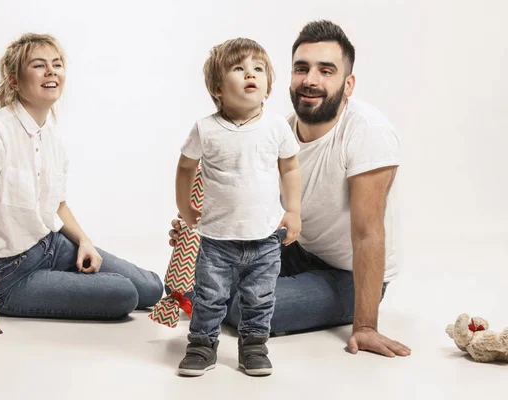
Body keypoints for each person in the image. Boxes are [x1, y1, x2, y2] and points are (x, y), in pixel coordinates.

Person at [169, 20, 411, 358]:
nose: (310, 80)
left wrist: (366, 326)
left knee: (247, 308)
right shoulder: (278, 129)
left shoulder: (368, 132)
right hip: (293, 245)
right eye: (302, 68)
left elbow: (368, 232)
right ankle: (204, 294)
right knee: (209, 269)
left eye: (326, 70)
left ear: (348, 83)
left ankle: (215, 302)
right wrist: (199, 225)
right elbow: (245, 195)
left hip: (347, 272)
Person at [0, 33, 163, 337]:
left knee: (152, 288)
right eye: (38, 65)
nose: (51, 71)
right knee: (125, 294)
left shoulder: (50, 134)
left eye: (56, 64)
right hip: (10, 274)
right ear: (13, 81)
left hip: (51, 245)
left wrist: (84, 241)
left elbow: (56, 204)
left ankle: (213, 295)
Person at [175, 38, 301, 376]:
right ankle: (202, 345)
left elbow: (289, 168)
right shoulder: (206, 128)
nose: (251, 74)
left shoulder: (275, 127)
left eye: (258, 69)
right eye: (239, 68)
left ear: (268, 87)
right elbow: (186, 167)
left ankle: (254, 345)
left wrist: (293, 211)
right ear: (217, 87)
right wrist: (185, 208)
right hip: (217, 239)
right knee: (209, 296)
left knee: (260, 297)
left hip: (265, 237)